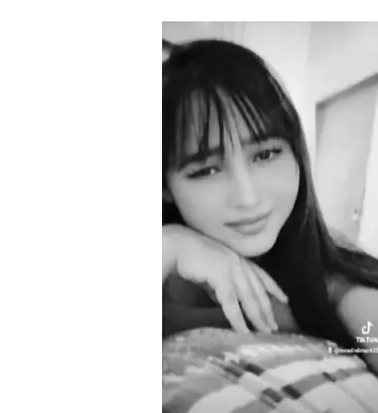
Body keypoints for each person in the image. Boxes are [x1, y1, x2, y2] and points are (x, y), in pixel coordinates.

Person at [162, 37, 378, 374]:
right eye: (205, 170)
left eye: (265, 154)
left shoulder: (337, 284)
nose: (247, 198)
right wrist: (168, 246)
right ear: (165, 187)